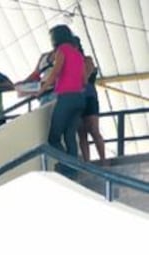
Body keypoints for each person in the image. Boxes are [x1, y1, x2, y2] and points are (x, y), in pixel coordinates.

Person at [40, 25, 86, 161]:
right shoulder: (77, 53)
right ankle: (74, 169)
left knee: (53, 138)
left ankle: (67, 165)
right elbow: (84, 80)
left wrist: (41, 90)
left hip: (66, 97)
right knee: (69, 135)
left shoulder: (62, 50)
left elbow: (55, 72)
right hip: (79, 98)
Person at [75, 38, 106, 165]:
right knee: (81, 132)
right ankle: (87, 162)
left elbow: (85, 78)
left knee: (93, 129)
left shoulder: (87, 60)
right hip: (77, 98)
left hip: (89, 97)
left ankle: (103, 161)